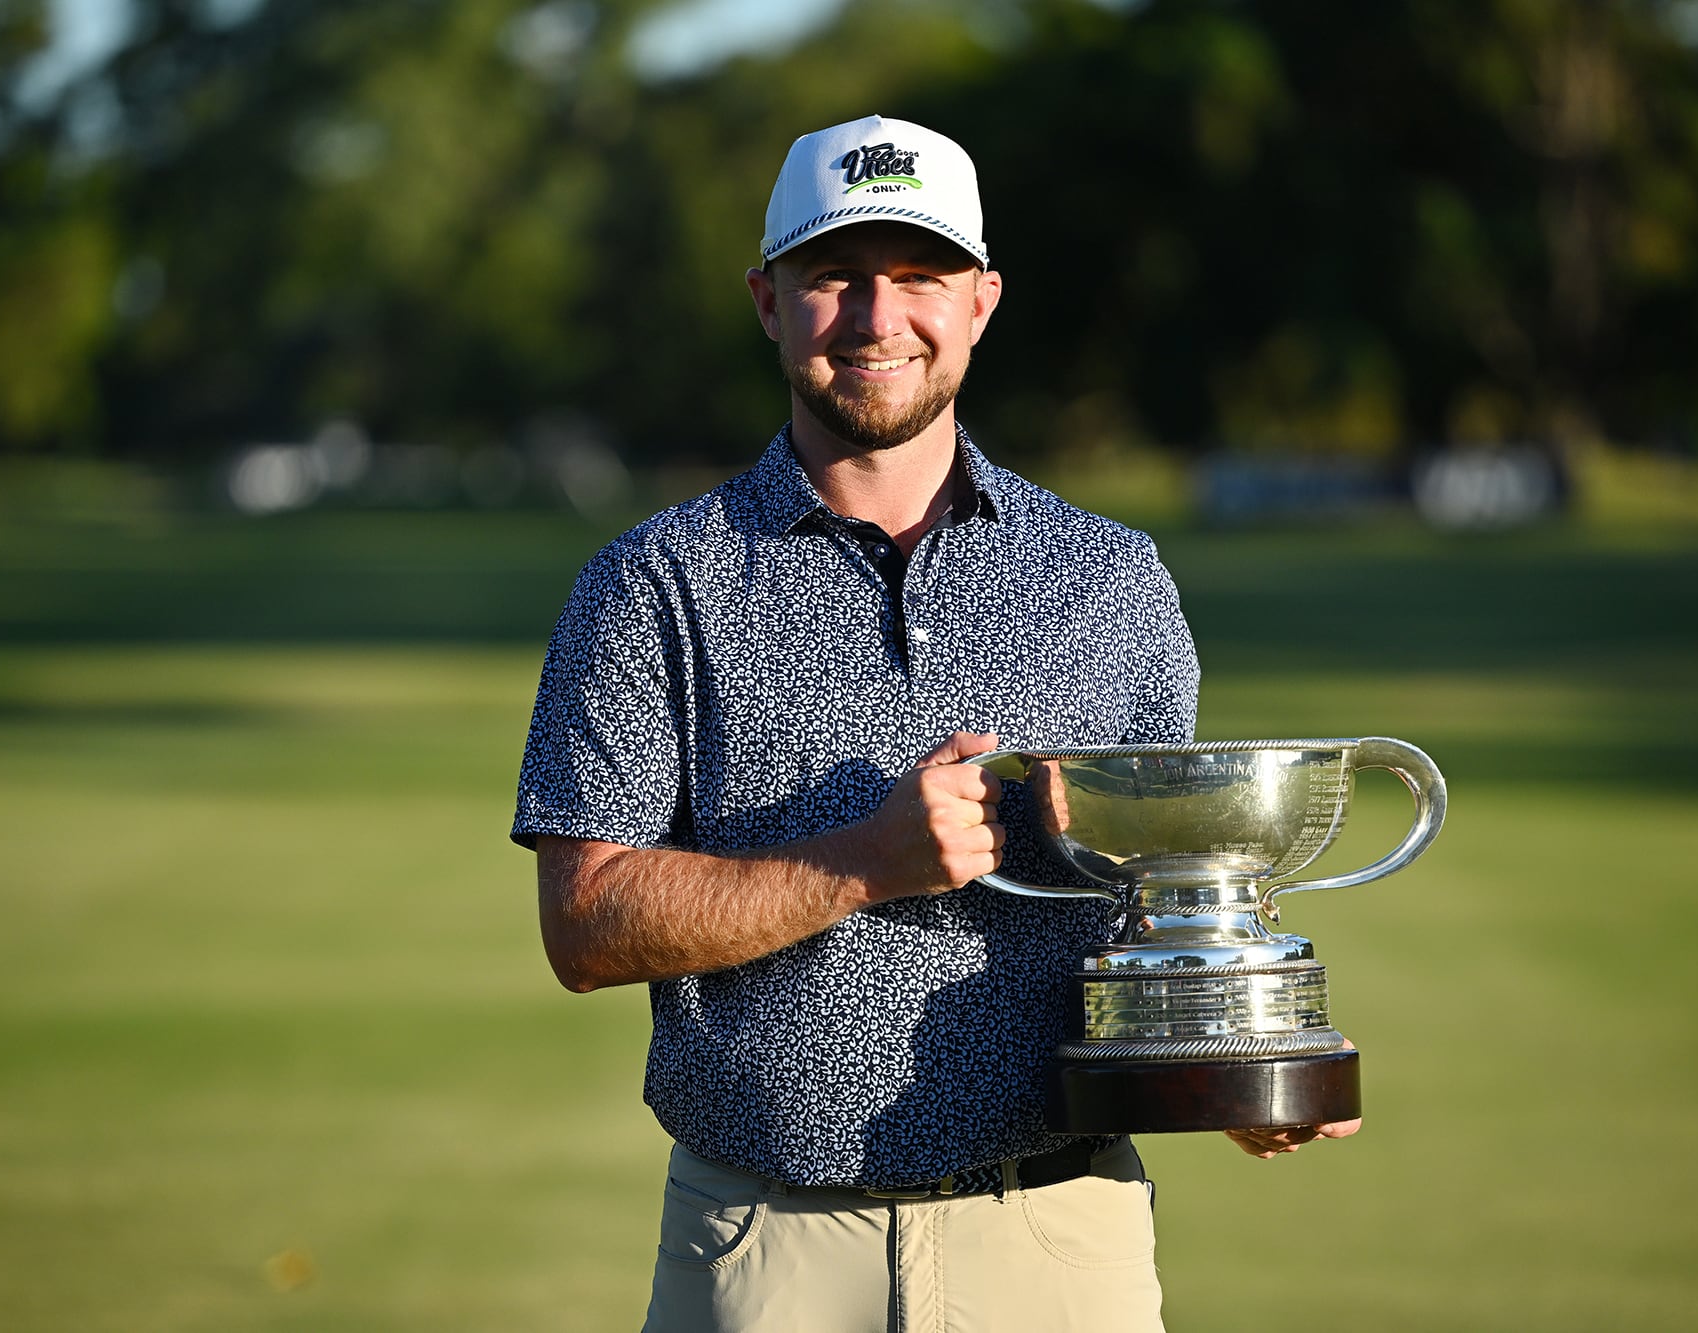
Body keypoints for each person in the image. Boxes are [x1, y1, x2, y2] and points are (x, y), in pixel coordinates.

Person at [513, 113, 1356, 1333]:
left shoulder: (1107, 576)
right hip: (764, 1249)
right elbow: (583, 924)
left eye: (917, 275)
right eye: (832, 278)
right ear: (766, 300)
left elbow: (1159, 897)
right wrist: (859, 863)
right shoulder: (652, 583)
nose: (874, 317)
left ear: (980, 300)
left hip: (1056, 1239)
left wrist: (1231, 1051)